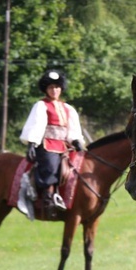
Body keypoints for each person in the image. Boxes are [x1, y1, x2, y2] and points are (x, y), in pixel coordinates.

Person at [20, 70, 85, 211]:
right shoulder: (41, 105)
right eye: (50, 87)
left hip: (64, 145)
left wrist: (76, 141)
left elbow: (72, 130)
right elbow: (36, 125)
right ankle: (48, 197)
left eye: (56, 87)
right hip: (47, 144)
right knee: (50, 165)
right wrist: (32, 143)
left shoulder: (68, 108)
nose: (54, 90)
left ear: (61, 88)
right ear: (46, 89)